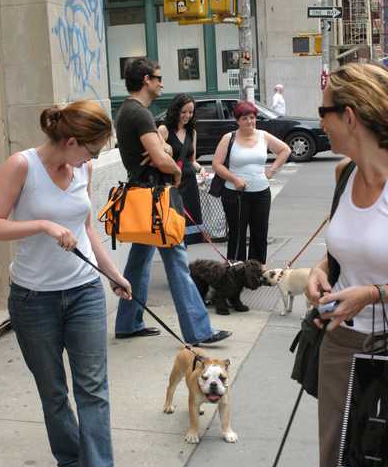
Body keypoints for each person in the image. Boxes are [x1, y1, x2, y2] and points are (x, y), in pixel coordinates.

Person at [0, 100, 132, 467]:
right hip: (33, 299)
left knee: (93, 388)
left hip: (84, 290)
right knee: (53, 390)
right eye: (92, 150)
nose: (93, 158)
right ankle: (70, 463)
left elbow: (86, 228)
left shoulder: (82, 168)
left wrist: (113, 274)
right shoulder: (22, 166)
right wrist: (43, 225)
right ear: (70, 141)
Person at [307, 62, 388, 467]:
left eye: (324, 112)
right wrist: (323, 271)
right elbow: (342, 251)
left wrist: (376, 292)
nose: (320, 123)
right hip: (343, 346)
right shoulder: (343, 175)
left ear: (350, 115)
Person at [114, 57, 231, 346]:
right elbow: (160, 158)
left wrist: (164, 151)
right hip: (158, 198)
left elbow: (162, 150)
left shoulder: (128, 111)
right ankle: (199, 331)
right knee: (177, 263)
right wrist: (176, 170)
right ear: (146, 80)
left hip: (143, 196)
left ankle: (128, 323)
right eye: (158, 77)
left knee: (139, 263)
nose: (162, 84)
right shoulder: (140, 114)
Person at [212, 100, 291, 265]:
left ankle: (256, 268)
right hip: (235, 194)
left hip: (261, 193)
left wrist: (271, 171)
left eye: (252, 117)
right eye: (245, 118)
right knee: (237, 233)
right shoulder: (229, 138)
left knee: (260, 232)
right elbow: (217, 165)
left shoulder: (263, 135)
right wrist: (235, 179)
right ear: (237, 121)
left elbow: (285, 150)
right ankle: (236, 268)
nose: (249, 121)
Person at [158, 93, 206, 245]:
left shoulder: (192, 132)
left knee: (188, 229)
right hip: (173, 184)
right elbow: (157, 158)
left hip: (190, 184)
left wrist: (201, 169)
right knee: (173, 228)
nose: (187, 115)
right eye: (183, 111)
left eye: (190, 112)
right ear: (175, 110)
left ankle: (182, 257)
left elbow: (192, 161)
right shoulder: (164, 130)